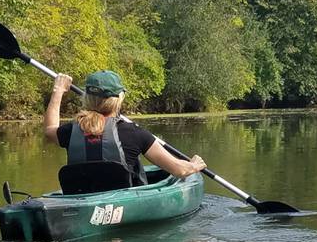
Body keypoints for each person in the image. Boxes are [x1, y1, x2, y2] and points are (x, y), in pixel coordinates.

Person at [44, 70, 206, 186]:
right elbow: (178, 170)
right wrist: (194, 165)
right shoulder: (135, 133)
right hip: (121, 203)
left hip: (81, 197)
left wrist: (58, 91)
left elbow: (50, 129)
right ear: (119, 99)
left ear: (86, 98)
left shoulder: (71, 131)